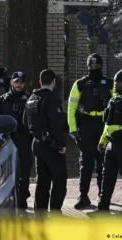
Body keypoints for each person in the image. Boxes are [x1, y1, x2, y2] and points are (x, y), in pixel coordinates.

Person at [67, 53, 114, 209]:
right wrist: (73, 130)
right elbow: (71, 108)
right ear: (87, 67)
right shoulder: (80, 84)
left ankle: (103, 197)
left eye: (96, 66)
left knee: (103, 163)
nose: (94, 68)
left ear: (101, 66)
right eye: (91, 66)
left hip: (103, 125)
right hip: (86, 125)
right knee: (85, 163)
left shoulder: (110, 83)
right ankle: (83, 196)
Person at [23, 69, 67, 216]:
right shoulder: (52, 99)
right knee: (60, 179)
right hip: (52, 145)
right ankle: (55, 212)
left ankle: (39, 214)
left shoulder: (31, 99)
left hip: (37, 144)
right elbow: (56, 124)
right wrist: (61, 144)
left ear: (40, 81)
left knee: (42, 180)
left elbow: (25, 122)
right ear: (53, 82)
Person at [0, 71, 33, 211]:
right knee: (7, 173)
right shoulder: (1, 101)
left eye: (21, 82)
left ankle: (22, 199)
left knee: (24, 172)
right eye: (16, 82)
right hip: (7, 142)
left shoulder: (30, 100)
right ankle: (8, 200)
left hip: (24, 141)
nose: (19, 85)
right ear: (11, 82)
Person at [89, 69, 122, 215]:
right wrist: (102, 142)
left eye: (119, 82)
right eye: (115, 82)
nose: (116, 85)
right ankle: (102, 208)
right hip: (111, 145)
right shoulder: (113, 101)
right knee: (107, 178)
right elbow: (107, 125)